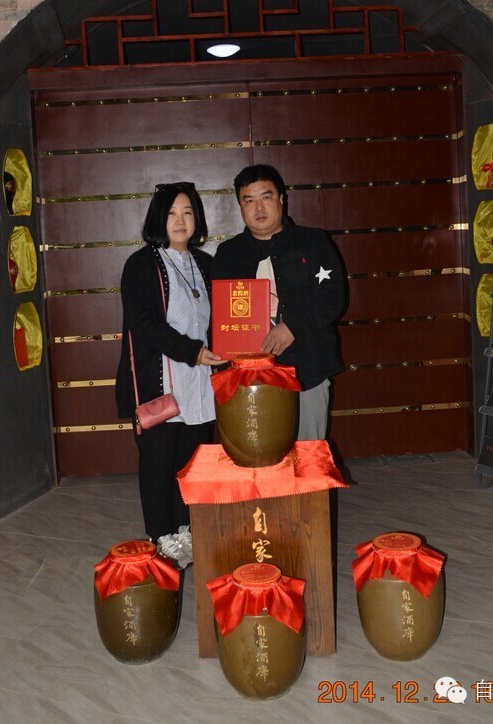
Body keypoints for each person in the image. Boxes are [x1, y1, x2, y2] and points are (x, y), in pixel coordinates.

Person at [116, 182, 222, 565]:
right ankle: (161, 535)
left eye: (188, 212)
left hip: (199, 382)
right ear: (158, 217)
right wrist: (191, 351)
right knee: (158, 464)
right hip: (160, 381)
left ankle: (185, 530)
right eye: (172, 212)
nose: (180, 220)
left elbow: (221, 318)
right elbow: (144, 324)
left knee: (191, 464)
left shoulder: (205, 264)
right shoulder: (141, 264)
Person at [211, 164, 345, 440]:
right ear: (240, 206)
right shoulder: (228, 254)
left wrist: (292, 327)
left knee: (308, 455)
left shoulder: (313, 242)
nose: (259, 207)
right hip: (248, 379)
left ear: (282, 199)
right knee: (259, 455)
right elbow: (220, 315)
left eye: (266, 196)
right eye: (249, 200)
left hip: (307, 370)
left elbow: (332, 296)